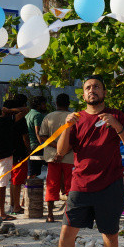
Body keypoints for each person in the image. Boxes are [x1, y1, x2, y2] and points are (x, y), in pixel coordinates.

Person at [50, 75, 124, 247]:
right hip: (80, 185)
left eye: (97, 87)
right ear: (84, 94)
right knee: (66, 234)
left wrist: (117, 125)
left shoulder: (117, 115)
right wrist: (66, 126)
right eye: (88, 87)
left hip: (110, 185)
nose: (92, 90)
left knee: (110, 235)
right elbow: (60, 152)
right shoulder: (76, 118)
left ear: (104, 92)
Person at [38, 93, 73, 222]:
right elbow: (76, 139)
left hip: (52, 157)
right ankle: (69, 214)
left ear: (56, 103)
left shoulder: (48, 117)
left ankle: (50, 215)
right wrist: (63, 150)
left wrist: (58, 149)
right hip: (69, 157)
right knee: (70, 186)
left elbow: (43, 136)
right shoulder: (73, 118)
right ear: (68, 103)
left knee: (52, 185)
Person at [5, 97, 30, 216]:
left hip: (9, 152)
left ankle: (12, 204)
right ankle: (16, 206)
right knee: (17, 181)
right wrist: (29, 150)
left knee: (13, 180)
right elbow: (25, 138)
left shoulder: (5, 120)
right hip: (19, 153)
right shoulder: (19, 120)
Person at [25, 96, 47, 177]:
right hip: (36, 146)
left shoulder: (28, 115)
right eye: (44, 104)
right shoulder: (38, 115)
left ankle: (29, 188)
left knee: (31, 172)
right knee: (33, 173)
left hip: (29, 146)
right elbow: (38, 132)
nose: (45, 106)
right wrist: (43, 146)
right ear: (38, 105)